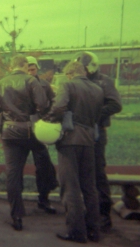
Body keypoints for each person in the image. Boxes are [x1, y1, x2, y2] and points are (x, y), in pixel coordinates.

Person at [45, 61, 104, 243]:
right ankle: (94, 230)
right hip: (89, 140)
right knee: (89, 187)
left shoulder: (67, 85)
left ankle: (76, 231)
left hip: (70, 140)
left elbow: (59, 107)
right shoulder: (97, 89)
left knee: (70, 187)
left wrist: (49, 119)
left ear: (69, 74)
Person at [0, 54, 47, 231]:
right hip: (30, 131)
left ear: (11, 66)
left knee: (13, 173)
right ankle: (45, 198)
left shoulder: (0, 83)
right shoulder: (31, 81)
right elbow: (43, 105)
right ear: (24, 66)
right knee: (43, 159)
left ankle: (16, 215)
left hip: (9, 132)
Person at [73, 51, 122, 232]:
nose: (81, 71)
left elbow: (116, 104)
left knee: (97, 174)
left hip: (96, 133)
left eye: (83, 68)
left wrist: (94, 114)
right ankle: (90, 211)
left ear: (91, 66)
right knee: (82, 173)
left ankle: (103, 214)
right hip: (80, 132)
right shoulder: (79, 81)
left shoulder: (104, 81)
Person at [26, 56, 59, 214]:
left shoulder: (45, 85)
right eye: (28, 69)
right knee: (16, 167)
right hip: (22, 129)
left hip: (39, 130)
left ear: (37, 69)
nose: (30, 72)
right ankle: (16, 203)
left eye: (33, 69)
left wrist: (47, 120)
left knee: (44, 165)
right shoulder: (18, 84)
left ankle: (44, 198)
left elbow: (54, 104)